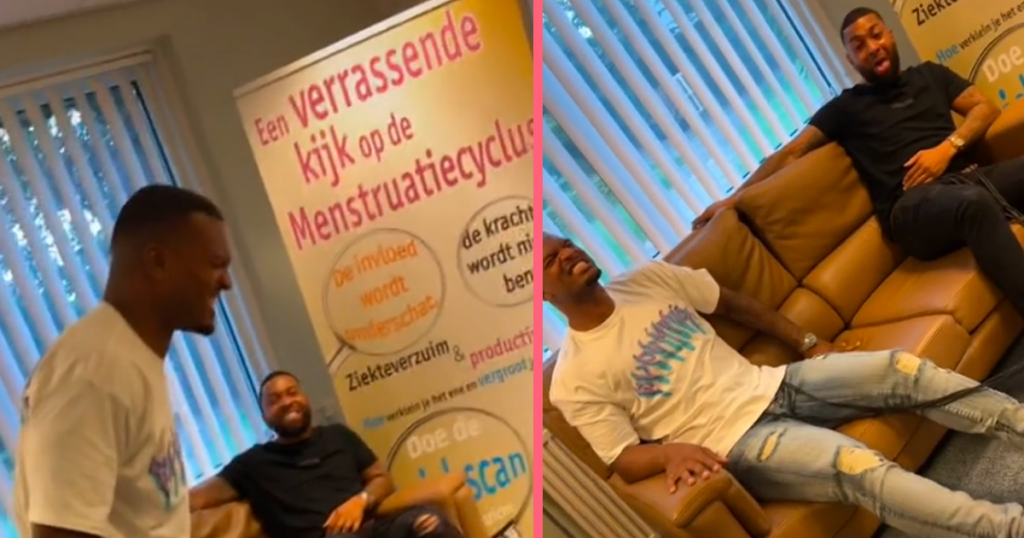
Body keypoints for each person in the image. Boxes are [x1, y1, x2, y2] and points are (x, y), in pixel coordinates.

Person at [543, 231, 1024, 537]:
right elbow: (622, 458)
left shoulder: (648, 278)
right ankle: (1007, 528)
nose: (567, 254)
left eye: (566, 243)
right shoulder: (573, 378)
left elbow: (733, 304)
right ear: (540, 293)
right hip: (736, 442)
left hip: (776, 382)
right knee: (856, 465)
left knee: (903, 370)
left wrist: (807, 341)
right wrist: (669, 453)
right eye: (550, 259)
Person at [692, 7, 1024, 315]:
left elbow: (984, 108)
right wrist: (733, 199)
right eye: (859, 46)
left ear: (890, 35)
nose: (872, 47)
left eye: (876, 35)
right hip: (911, 208)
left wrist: (947, 149)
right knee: (974, 203)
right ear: (850, 60)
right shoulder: (846, 108)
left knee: (980, 194)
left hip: (967, 178)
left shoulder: (930, 75)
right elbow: (791, 152)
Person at [14, 184, 233, 538]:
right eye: (216, 265)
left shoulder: (131, 359)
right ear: (158, 261)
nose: (227, 282)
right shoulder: (93, 372)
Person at [189, 371, 462, 538]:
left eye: (292, 392)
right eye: (274, 400)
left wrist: (360, 501)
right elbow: (195, 499)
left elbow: (381, 478)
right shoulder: (252, 464)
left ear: (305, 398)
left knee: (430, 521)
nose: (287, 401)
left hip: (372, 529)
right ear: (264, 417)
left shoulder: (338, 436)